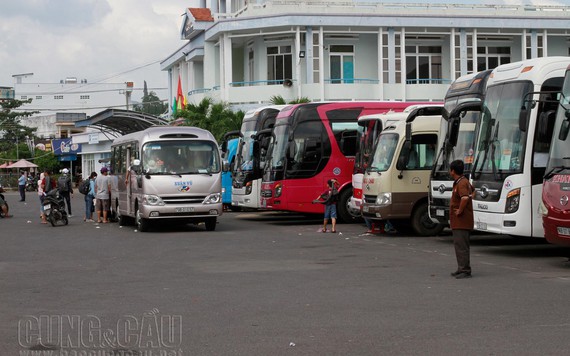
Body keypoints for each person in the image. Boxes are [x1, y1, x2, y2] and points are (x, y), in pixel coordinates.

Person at [449, 159, 474, 279]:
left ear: (453, 171)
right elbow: (473, 192)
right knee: (459, 245)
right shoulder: (462, 182)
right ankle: (461, 268)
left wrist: (460, 210)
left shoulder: (461, 183)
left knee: (462, 245)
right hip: (459, 221)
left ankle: (465, 269)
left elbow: (464, 198)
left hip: (462, 220)